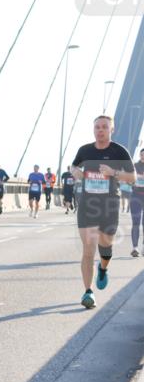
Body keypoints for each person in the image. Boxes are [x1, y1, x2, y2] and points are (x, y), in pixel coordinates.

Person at [70, 115, 135, 309]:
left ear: (111, 130)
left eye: (104, 127)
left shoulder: (119, 151)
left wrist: (113, 173)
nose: (100, 130)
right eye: (97, 127)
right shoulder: (85, 150)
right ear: (93, 129)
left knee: (106, 243)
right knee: (88, 249)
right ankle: (88, 292)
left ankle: (103, 268)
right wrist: (75, 171)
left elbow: (132, 177)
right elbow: (74, 165)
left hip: (109, 205)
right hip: (88, 205)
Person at [130, 148, 144, 257]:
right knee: (136, 222)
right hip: (136, 197)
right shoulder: (134, 166)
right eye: (142, 155)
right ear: (140, 156)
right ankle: (135, 248)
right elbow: (129, 180)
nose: (143, 156)